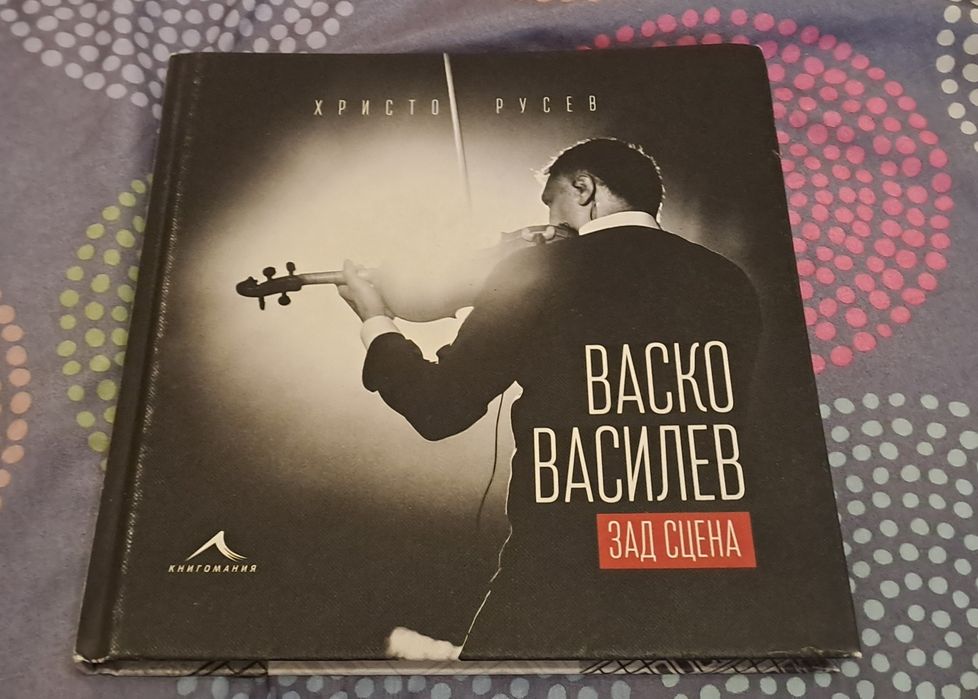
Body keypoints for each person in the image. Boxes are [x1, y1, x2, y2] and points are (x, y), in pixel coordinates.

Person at [337, 138, 761, 658]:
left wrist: (376, 320)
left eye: (551, 202)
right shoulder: (729, 280)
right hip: (703, 551)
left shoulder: (540, 270)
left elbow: (438, 408)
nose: (545, 225)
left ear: (583, 188)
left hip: (568, 550)